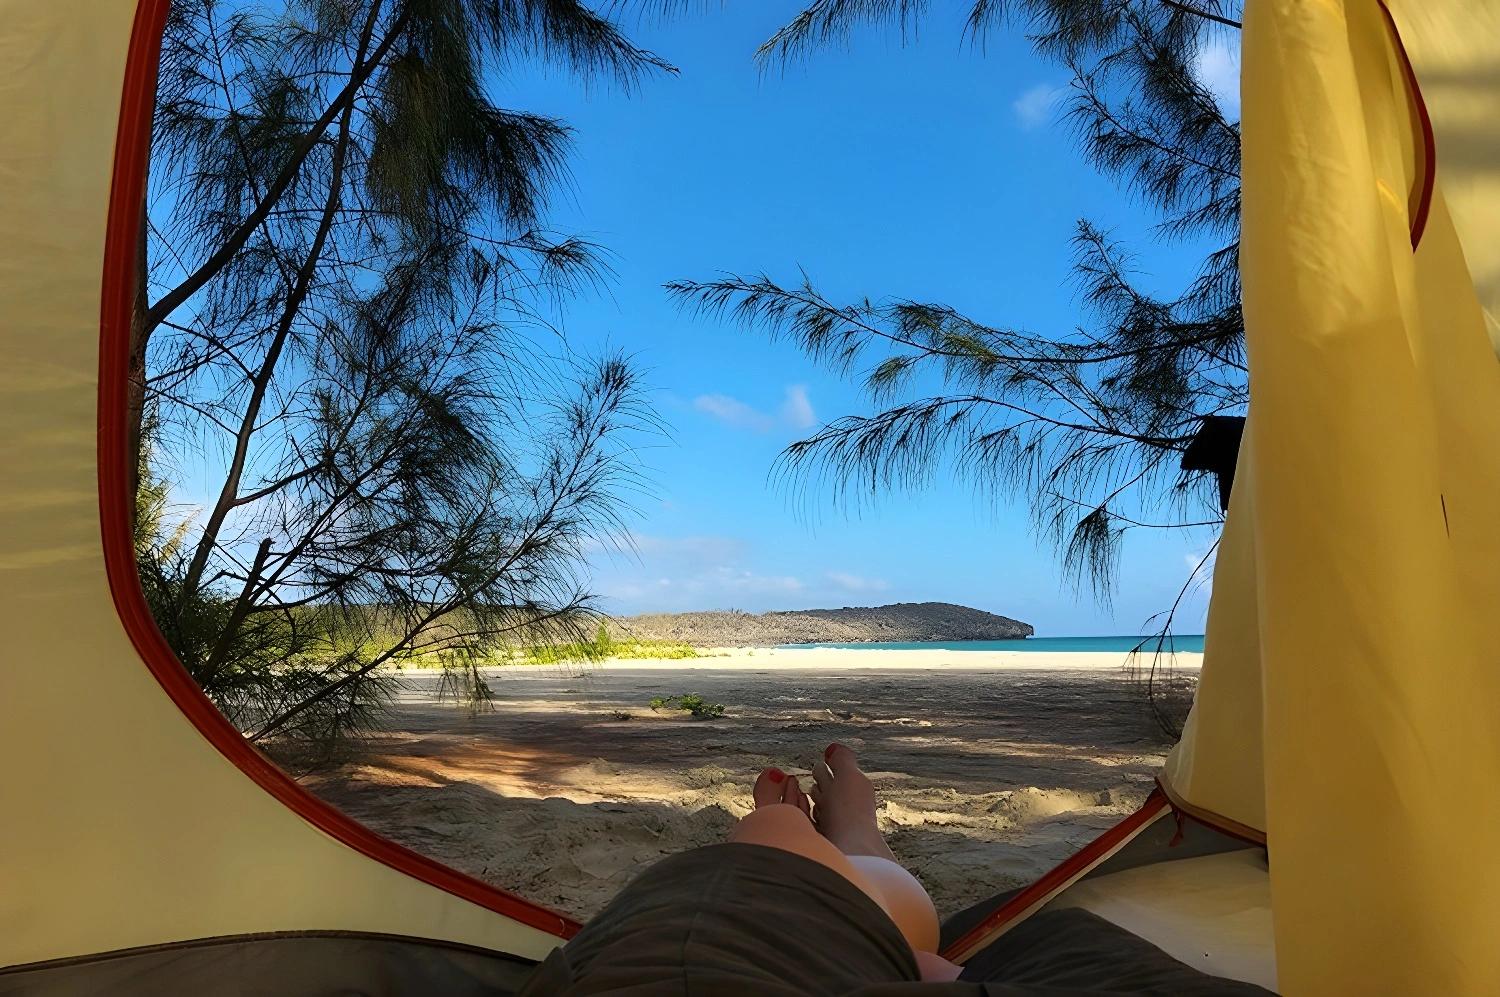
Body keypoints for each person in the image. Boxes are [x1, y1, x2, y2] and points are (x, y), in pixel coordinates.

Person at [519, 742, 964, 994]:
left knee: (890, 915)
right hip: (742, 917)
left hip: (668, 921)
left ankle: (817, 832)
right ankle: (842, 828)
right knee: (801, 849)